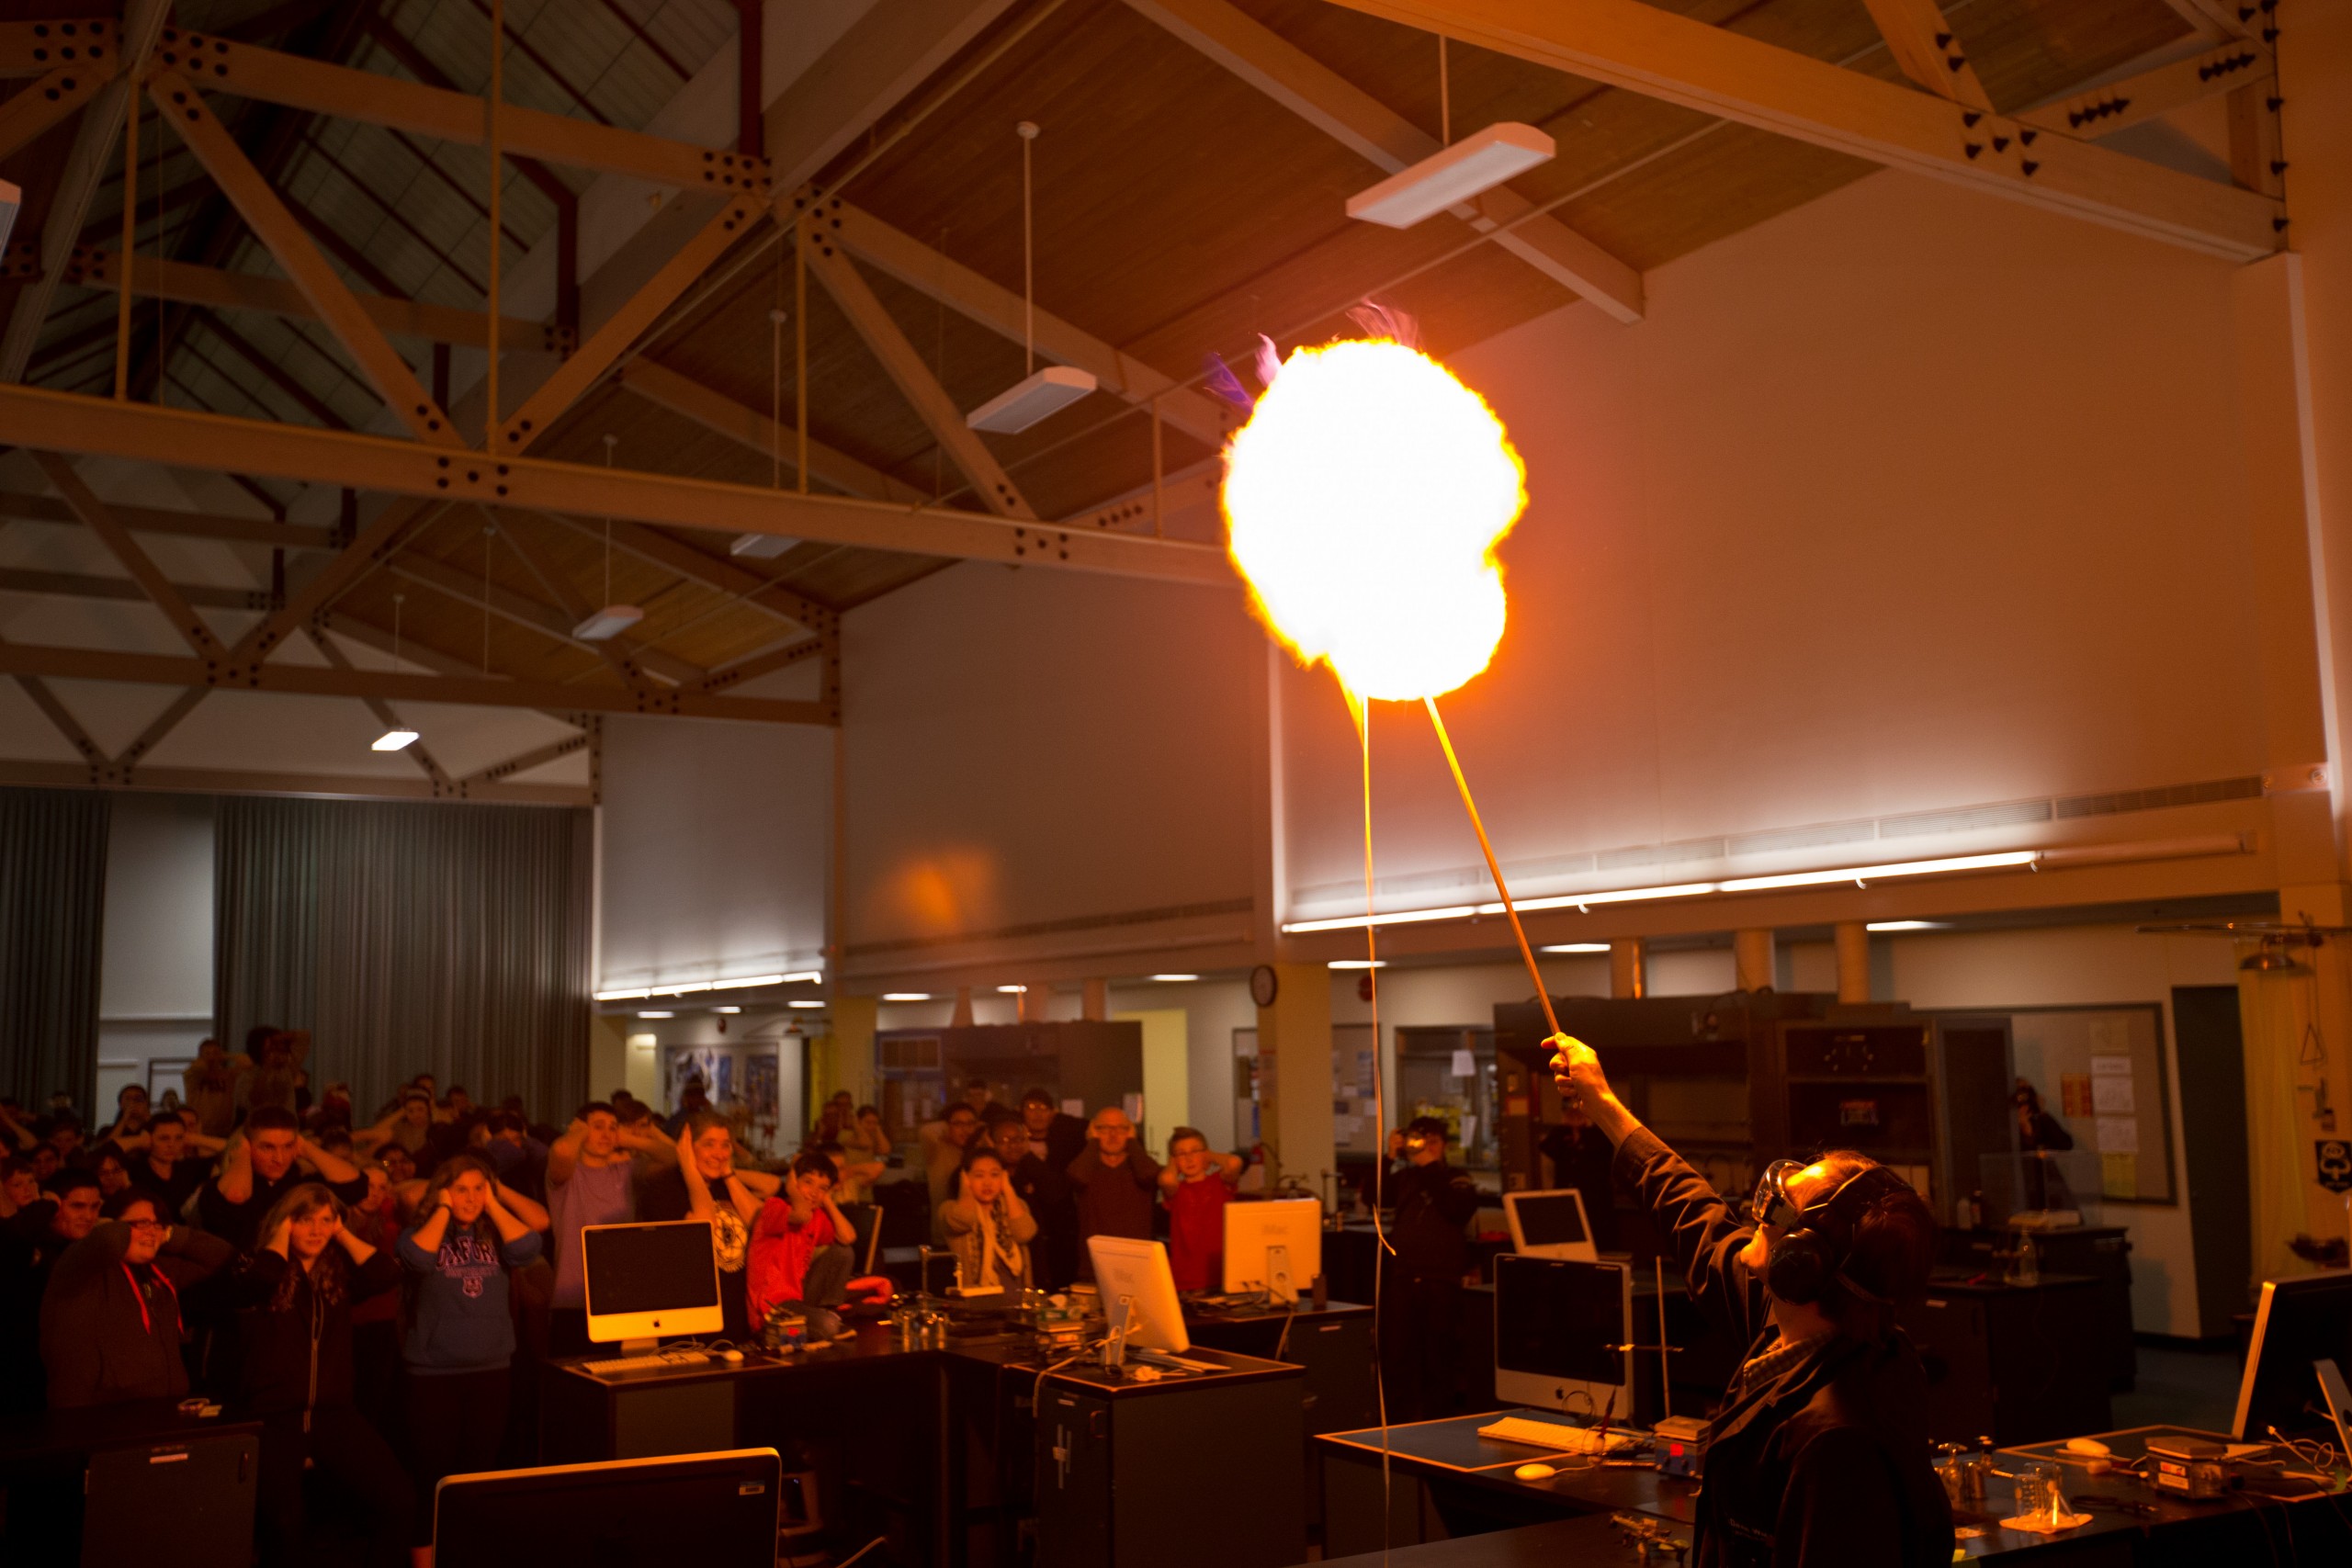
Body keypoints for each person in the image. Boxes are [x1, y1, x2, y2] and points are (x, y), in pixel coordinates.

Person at [1551, 1034, 1951, 1568]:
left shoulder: (1837, 1442)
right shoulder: (1803, 1333)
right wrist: (1602, 1103)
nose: (1754, 1212)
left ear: (1803, 1263)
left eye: (1778, 1211)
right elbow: (1689, 1210)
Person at [228, 1183, 418, 1567]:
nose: (316, 1230)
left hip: (334, 1413)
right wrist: (280, 1235)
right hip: (276, 1415)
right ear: (285, 1223)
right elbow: (259, 1281)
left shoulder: (339, 1273)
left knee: (399, 1499)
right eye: (304, 1220)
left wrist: (343, 1233)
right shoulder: (260, 1264)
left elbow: (387, 1273)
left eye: (324, 1221)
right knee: (284, 1523)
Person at [397, 1156, 541, 1538]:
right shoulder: (419, 1232)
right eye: (462, 1188)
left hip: (491, 1369)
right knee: (431, 1477)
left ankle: (466, 1552)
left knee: (477, 1475)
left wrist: (492, 1204)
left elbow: (530, 1246)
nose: (472, 1196)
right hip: (433, 1374)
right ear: (444, 1190)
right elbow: (417, 1259)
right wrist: (444, 1208)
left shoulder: (495, 1233)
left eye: (479, 1188)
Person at [40, 1189, 232, 1407]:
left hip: (162, 1409)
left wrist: (168, 1233)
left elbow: (221, 1256)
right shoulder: (80, 1267)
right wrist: (111, 1228)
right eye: (141, 1223)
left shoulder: (160, 1272)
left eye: (157, 1223)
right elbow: (111, 1240)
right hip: (100, 1414)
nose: (151, 1231)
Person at [1374, 1117, 1481, 1421]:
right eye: (1420, 1141)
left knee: (1438, 1357)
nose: (1426, 1148)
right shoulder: (1406, 1177)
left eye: (1433, 1141)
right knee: (1398, 1357)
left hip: (1441, 1280)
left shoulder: (1456, 1177)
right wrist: (1388, 1157)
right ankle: (1398, 1422)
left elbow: (1457, 1210)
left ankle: (1440, 1423)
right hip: (1403, 1277)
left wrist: (1428, 1166)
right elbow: (1374, 1197)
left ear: (1444, 1145)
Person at [545, 1101, 670, 1354]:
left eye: (612, 1127)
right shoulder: (569, 1174)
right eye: (598, 1127)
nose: (606, 1133)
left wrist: (627, 1139)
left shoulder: (626, 1171)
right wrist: (578, 1131)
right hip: (574, 1299)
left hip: (621, 1298)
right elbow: (561, 1149)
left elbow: (674, 1157)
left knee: (617, 1383)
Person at [640, 1112, 779, 1337]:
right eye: (709, 1144)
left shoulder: (723, 1184)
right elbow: (704, 1226)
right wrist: (689, 1168)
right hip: (690, 1321)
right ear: (687, 1147)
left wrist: (727, 1172)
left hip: (736, 1316)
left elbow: (759, 1217)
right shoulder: (663, 1190)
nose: (720, 1152)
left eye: (725, 1145)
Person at [0, 1169, 106, 1413]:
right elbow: (11, 1242)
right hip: (27, 1376)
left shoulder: (93, 1249)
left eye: (94, 1207)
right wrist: (45, 1204)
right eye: (77, 1207)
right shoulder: (31, 1250)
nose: (88, 1216)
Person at [199, 1107, 370, 1255]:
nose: (279, 1158)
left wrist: (306, 1148)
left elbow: (356, 1187)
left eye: (288, 1146)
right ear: (249, 1145)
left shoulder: (300, 1184)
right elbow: (235, 1197)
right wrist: (242, 1153)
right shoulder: (217, 1187)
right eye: (268, 1147)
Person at [746, 1151, 859, 1341]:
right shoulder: (774, 1207)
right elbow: (801, 1216)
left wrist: (827, 1200)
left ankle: (825, 1315)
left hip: (797, 1300)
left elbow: (847, 1237)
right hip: (771, 1309)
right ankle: (795, 1333)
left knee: (843, 1252)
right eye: (808, 1182)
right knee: (828, 1326)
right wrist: (791, 1190)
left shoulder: (817, 1217)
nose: (814, 1192)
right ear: (794, 1181)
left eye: (822, 1188)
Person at [1067, 1108, 1160, 1277]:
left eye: (1121, 1128)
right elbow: (1077, 1176)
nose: (1113, 1135)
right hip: (1095, 1265)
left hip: (1137, 1263)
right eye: (1104, 1129)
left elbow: (1150, 1175)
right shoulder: (1087, 1167)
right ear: (1093, 1132)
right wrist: (1093, 1143)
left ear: (1130, 1131)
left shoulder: (1139, 1167)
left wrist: (1132, 1142)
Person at [941, 1145, 1036, 1293]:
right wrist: (965, 1189)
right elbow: (963, 1219)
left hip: (1017, 1297)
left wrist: (1008, 1190)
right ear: (965, 1177)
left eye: (995, 1174)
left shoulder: (1016, 1205)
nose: (987, 1183)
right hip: (977, 1301)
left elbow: (1024, 1234)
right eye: (979, 1175)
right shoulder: (949, 1208)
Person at [1158, 1128, 1243, 1292]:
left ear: (1206, 1156)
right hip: (1185, 1277)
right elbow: (1166, 1179)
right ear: (1174, 1160)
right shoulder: (1176, 1191)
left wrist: (1208, 1155)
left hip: (1220, 1273)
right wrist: (1174, 1159)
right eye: (1181, 1154)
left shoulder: (1219, 1183)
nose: (1189, 1158)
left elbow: (1234, 1163)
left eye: (1194, 1151)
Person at [1538, 1100, 1623, 1252]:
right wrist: (1566, 1127)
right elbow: (1546, 1147)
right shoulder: (1563, 1135)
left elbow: (1597, 1153)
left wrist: (1583, 1130)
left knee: (1598, 1242)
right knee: (1568, 1243)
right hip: (1565, 1198)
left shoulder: (1599, 1135)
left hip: (1594, 1200)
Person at [120, 1112, 216, 1221]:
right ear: (150, 1139)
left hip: (181, 1232)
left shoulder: (188, 1167)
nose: (172, 1145)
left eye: (178, 1138)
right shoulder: (135, 1168)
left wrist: (196, 1139)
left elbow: (232, 1151)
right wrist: (139, 1140)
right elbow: (104, 1151)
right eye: (164, 1138)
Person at [2012, 1078, 2077, 1213]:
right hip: (2025, 1191)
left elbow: (2066, 1143)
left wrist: (2042, 1114)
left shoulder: (2041, 1120)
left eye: (2027, 1094)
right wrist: (2026, 1133)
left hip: (2049, 1187)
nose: (2023, 1101)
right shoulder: (2007, 1126)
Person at [926, 1104, 983, 1243]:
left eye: (970, 1123)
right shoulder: (937, 1149)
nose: (966, 1129)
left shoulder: (980, 1153)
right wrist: (947, 1129)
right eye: (958, 1123)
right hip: (945, 1235)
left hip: (977, 1235)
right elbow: (926, 1131)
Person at [183, 1038, 251, 1139]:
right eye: (207, 1053)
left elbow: (247, 1062)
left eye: (215, 1053)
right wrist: (206, 1059)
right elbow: (199, 1067)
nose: (212, 1057)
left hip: (225, 1129)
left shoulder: (228, 1075)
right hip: (200, 1128)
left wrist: (225, 1056)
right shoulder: (192, 1075)